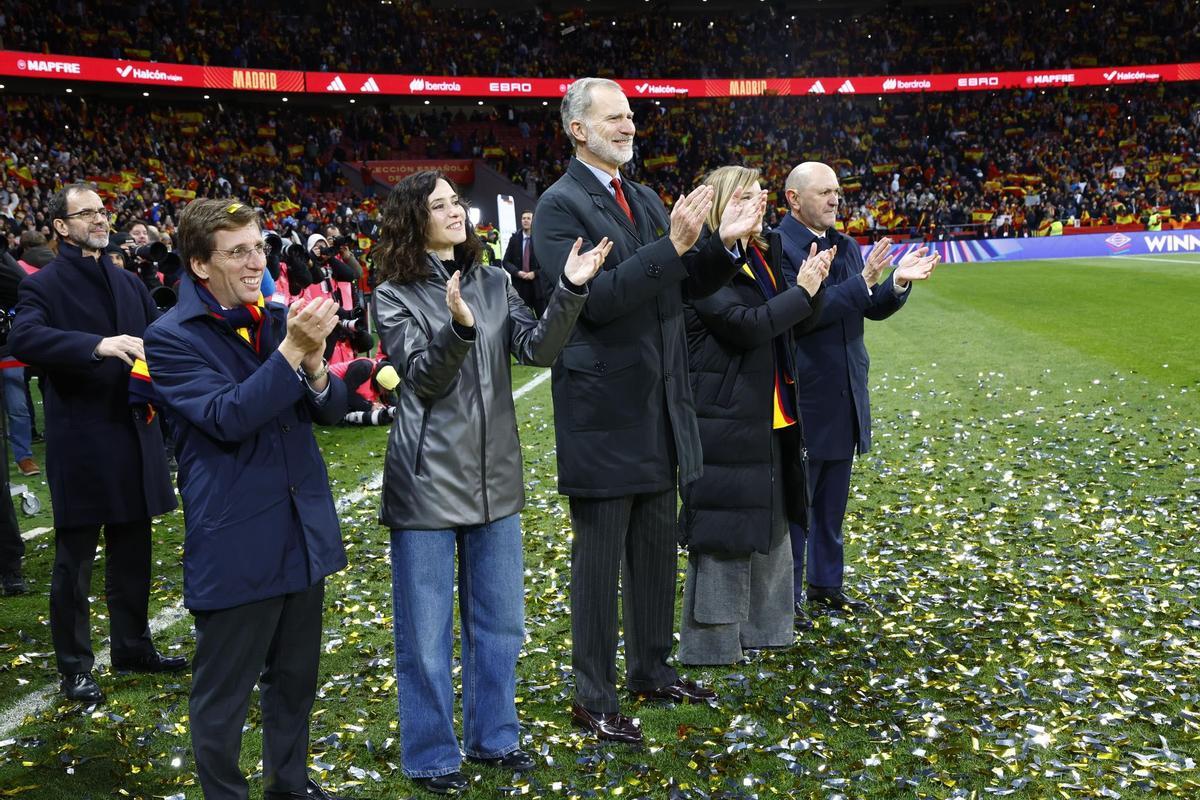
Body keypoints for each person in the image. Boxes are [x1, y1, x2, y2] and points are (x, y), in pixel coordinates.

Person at [533, 77, 764, 743]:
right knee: (600, 562)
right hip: (603, 415)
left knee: (657, 551)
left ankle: (652, 671)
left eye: (631, 116)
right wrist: (675, 246)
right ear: (578, 129)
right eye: (615, 117)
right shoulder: (557, 207)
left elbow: (683, 285)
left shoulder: (639, 195)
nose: (629, 126)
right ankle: (592, 694)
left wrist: (723, 245)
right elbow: (595, 302)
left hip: (660, 408)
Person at [372, 170, 609, 794]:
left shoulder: (496, 280)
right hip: (427, 483)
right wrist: (457, 327)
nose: (456, 210)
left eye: (457, 201)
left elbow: (537, 349)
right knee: (425, 636)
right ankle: (430, 755)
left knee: (501, 624)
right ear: (411, 218)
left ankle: (493, 738)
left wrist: (571, 292)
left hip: (496, 477)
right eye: (441, 203)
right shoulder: (392, 294)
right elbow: (421, 380)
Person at [142, 198, 356, 800]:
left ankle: (288, 784)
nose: (254, 260)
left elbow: (331, 413)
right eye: (237, 251)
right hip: (237, 536)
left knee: (294, 679)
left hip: (300, 525)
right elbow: (227, 417)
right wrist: (291, 353)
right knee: (224, 696)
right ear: (199, 265)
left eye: (258, 247)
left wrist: (315, 368)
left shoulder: (270, 317)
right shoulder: (170, 337)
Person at [9, 183, 184, 704]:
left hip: (135, 431)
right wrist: (96, 345)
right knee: (75, 560)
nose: (100, 220)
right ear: (61, 227)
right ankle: (74, 666)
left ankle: (133, 645)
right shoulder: (44, 284)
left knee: (134, 550)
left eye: (103, 212)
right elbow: (24, 339)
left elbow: (160, 339)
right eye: (87, 214)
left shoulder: (127, 281)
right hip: (83, 438)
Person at [677, 165, 833, 665]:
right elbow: (745, 327)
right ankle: (713, 646)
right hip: (725, 415)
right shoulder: (702, 265)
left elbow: (790, 321)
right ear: (719, 204)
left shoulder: (758, 256)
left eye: (760, 195)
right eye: (744, 196)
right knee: (724, 534)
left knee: (773, 526)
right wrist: (803, 291)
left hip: (770, 413)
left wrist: (815, 286)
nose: (758, 203)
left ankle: (766, 631)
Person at [776, 162, 938, 621]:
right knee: (797, 508)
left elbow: (866, 307)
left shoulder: (845, 245)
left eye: (837, 193)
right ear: (793, 198)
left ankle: (826, 584)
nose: (834, 200)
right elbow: (802, 316)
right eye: (824, 192)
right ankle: (788, 599)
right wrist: (863, 281)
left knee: (831, 505)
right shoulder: (778, 246)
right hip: (803, 397)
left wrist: (896, 283)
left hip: (846, 393)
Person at [502, 211, 545, 316]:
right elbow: (506, 261)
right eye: (523, 218)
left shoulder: (540, 239)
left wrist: (534, 273)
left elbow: (547, 263)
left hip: (538, 287)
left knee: (543, 319)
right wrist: (517, 272)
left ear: (533, 221)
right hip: (520, 287)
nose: (525, 220)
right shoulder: (514, 239)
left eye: (528, 218)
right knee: (524, 319)